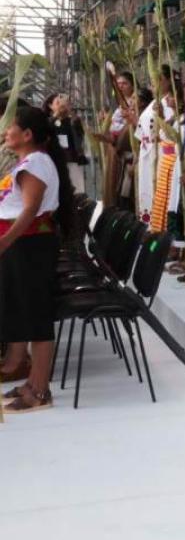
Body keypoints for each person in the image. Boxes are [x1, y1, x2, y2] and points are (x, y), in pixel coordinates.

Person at [0, 106, 74, 413]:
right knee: (25, 311)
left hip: (29, 246)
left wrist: (5, 241)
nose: (5, 132)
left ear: (27, 134)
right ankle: (30, 380)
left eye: (10, 127)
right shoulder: (30, 161)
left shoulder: (37, 163)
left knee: (37, 315)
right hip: (21, 246)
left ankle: (40, 390)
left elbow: (29, 210)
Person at [136, 66, 176, 225]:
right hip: (147, 155)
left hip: (162, 156)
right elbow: (142, 133)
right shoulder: (154, 103)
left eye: (157, 79)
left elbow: (170, 133)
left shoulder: (172, 103)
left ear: (167, 80)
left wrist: (161, 116)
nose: (153, 84)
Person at [104, 71, 137, 209]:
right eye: (118, 84)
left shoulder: (136, 102)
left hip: (130, 150)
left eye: (124, 83)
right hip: (117, 151)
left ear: (132, 85)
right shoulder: (118, 105)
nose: (121, 86)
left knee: (127, 193)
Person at [44, 93, 85, 193]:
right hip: (54, 161)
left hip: (72, 159)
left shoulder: (73, 120)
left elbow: (80, 137)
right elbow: (45, 130)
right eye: (58, 103)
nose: (62, 106)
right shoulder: (47, 121)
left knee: (76, 190)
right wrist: (56, 115)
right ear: (50, 106)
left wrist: (69, 113)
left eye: (64, 103)